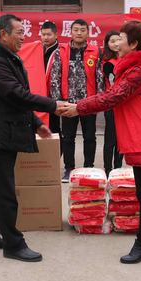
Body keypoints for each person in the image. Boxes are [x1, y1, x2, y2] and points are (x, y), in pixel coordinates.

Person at [60, 20, 141, 264]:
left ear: (134, 44)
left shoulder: (139, 72)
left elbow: (112, 97)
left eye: (120, 39)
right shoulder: (134, 70)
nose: (116, 43)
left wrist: (79, 107)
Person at [0, 14, 67, 262]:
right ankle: (13, 244)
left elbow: (13, 100)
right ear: (3, 34)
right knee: (4, 192)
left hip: (3, 131)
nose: (24, 37)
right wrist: (52, 105)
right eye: (19, 32)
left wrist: (36, 123)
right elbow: (16, 95)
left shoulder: (7, 58)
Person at [48, 19, 105, 182]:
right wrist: (57, 102)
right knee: (68, 137)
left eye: (82, 30)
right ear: (70, 32)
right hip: (67, 102)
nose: (79, 33)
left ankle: (89, 167)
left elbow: (100, 77)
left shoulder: (96, 51)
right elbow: (55, 77)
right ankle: (69, 169)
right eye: (76, 30)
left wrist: (99, 101)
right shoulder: (61, 51)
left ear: (88, 32)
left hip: (89, 102)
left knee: (90, 136)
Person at [101, 30, 124, 176]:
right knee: (110, 138)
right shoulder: (107, 63)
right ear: (107, 44)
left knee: (121, 139)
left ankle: (118, 169)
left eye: (118, 40)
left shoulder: (126, 58)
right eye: (112, 41)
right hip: (111, 104)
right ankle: (108, 170)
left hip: (124, 105)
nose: (116, 44)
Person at [40, 21, 62, 144]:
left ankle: (56, 153)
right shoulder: (38, 49)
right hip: (39, 93)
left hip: (54, 94)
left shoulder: (61, 51)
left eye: (49, 34)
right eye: (43, 35)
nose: (46, 37)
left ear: (56, 35)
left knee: (54, 126)